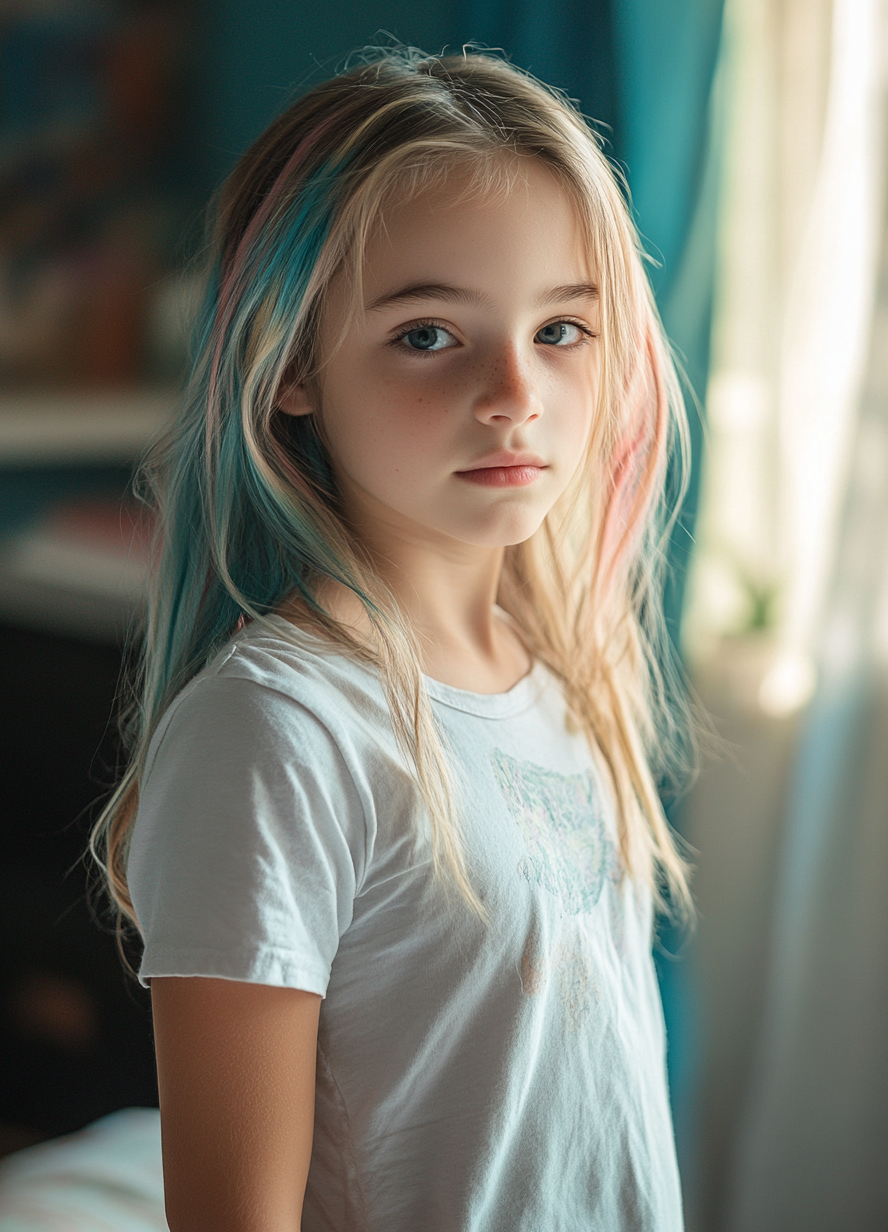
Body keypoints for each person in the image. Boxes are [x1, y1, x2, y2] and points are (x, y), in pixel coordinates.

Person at [92, 46, 695, 1232]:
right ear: (296, 363)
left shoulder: (566, 666)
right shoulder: (278, 728)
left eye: (562, 330)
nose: (514, 391)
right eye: (429, 333)